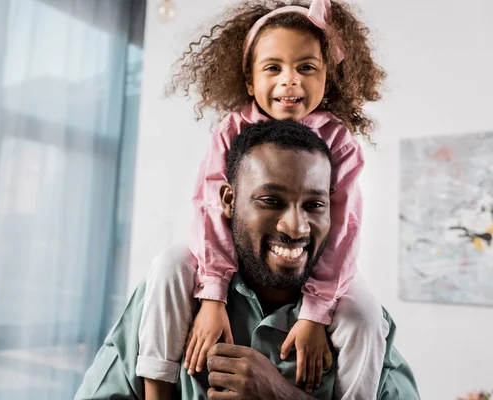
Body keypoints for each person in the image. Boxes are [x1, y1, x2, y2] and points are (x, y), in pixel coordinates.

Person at [138, 0, 388, 398]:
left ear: (328, 77)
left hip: (322, 271)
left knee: (364, 314)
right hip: (229, 259)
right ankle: (156, 381)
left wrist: (315, 312)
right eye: (274, 67)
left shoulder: (340, 142)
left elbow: (343, 229)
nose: (290, 81)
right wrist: (213, 295)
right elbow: (210, 212)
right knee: (168, 263)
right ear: (250, 81)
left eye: (306, 67)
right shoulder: (232, 129)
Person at [75, 120, 420, 400]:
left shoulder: (360, 322)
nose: (296, 227)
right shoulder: (171, 292)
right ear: (228, 199)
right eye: (270, 200)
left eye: (315, 206)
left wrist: (280, 395)